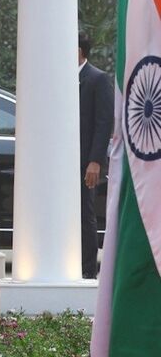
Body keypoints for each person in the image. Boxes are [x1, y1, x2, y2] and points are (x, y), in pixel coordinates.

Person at [78, 31, 112, 279]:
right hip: (61, 162)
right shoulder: (58, 78)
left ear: (79, 51)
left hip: (86, 161)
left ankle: (88, 271)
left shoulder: (97, 79)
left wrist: (95, 161)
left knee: (84, 213)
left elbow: (104, 122)